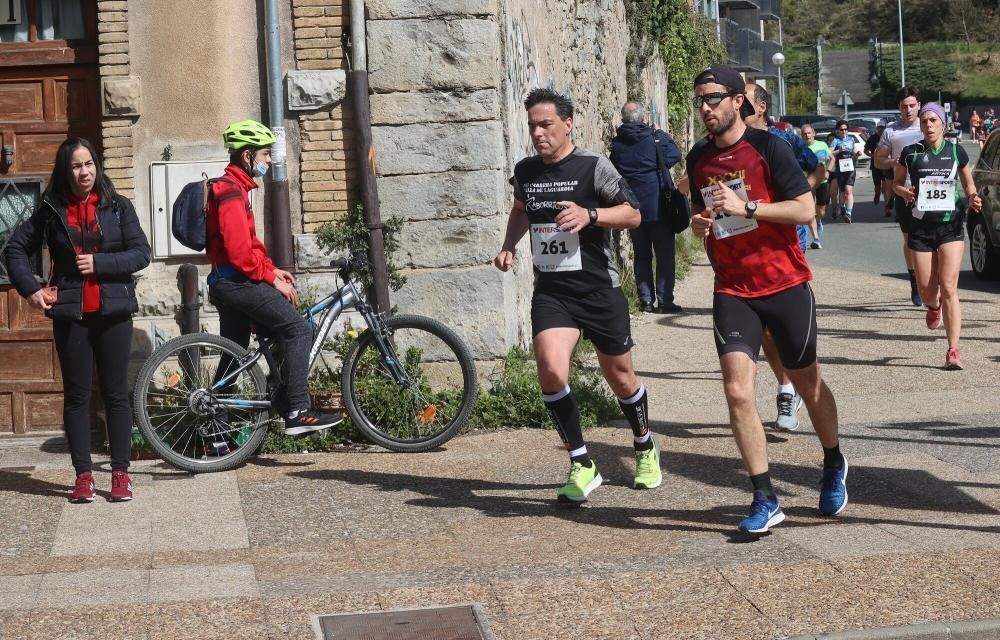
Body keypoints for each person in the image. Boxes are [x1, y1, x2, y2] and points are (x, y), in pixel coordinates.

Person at [686, 65, 847, 533]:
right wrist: (701, 224)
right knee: (737, 390)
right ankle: (764, 495)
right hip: (733, 288)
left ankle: (834, 460)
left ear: (739, 100)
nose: (705, 108)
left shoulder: (769, 147)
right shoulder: (699, 159)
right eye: (700, 99)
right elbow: (706, 215)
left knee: (807, 382)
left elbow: (802, 208)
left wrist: (748, 207)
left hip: (784, 283)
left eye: (713, 98)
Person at [495, 88, 658, 503]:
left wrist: (591, 215)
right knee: (550, 369)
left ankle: (644, 444)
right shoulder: (526, 171)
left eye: (545, 124)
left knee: (619, 376)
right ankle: (582, 464)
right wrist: (510, 245)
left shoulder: (593, 166)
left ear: (567, 124)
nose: (537, 132)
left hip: (597, 288)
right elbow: (520, 209)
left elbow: (634, 214)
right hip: (553, 291)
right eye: (532, 125)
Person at [2, 138, 151, 503]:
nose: (84, 172)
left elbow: (141, 254)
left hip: (114, 311)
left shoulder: (118, 207)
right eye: (76, 166)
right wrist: (31, 290)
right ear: (65, 171)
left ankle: (120, 474)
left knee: (116, 395)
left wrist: (100, 263)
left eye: (88, 164)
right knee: (78, 397)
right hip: (72, 315)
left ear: (96, 167)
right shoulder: (51, 209)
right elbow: (14, 250)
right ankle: (83, 476)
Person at [208, 119, 342, 435]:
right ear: (247, 156)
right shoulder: (230, 192)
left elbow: (250, 246)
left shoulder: (236, 188)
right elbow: (240, 253)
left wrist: (271, 269)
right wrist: (271, 279)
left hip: (228, 282)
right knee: (297, 329)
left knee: (233, 355)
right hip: (237, 283)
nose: (270, 160)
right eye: (266, 154)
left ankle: (215, 431)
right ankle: (296, 410)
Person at [743, 82, 823, 433]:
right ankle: (786, 387)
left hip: (786, 241)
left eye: (741, 97)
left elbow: (819, 167)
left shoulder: (784, 139)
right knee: (762, 329)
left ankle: (796, 383)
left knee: (781, 331)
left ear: (760, 107)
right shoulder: (721, 145)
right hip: (742, 249)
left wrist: (800, 192)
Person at [892, 103, 983, 370]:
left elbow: (968, 183)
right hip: (920, 226)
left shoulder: (956, 151)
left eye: (933, 120)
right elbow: (897, 183)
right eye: (924, 122)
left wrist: (974, 196)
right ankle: (933, 307)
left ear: (943, 124)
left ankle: (953, 350)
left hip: (950, 225)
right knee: (927, 290)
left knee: (950, 286)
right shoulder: (911, 153)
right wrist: (903, 192)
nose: (928, 125)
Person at [608, 102, 683, 313]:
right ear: (643, 119)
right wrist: (659, 130)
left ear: (623, 120)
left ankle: (646, 300)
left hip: (632, 207)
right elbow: (674, 155)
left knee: (641, 255)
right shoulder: (654, 138)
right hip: (658, 204)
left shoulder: (617, 145)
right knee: (665, 253)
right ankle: (665, 300)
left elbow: (615, 169)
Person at [874, 87, 924, 307]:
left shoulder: (928, 125)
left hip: (930, 192)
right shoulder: (891, 131)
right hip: (904, 191)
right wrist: (895, 162)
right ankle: (914, 281)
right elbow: (878, 160)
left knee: (935, 239)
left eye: (912, 105)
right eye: (904, 106)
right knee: (910, 240)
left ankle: (931, 281)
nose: (908, 110)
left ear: (919, 106)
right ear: (899, 108)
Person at [801, 124, 833, 248]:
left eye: (809, 133)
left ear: (813, 134)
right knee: (809, 209)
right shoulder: (800, 148)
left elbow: (832, 158)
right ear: (802, 135)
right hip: (806, 183)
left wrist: (828, 171)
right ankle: (816, 239)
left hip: (822, 182)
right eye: (804, 133)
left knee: (821, 210)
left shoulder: (822, 145)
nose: (807, 135)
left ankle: (818, 220)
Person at [828, 120, 861, 223]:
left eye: (846, 129)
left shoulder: (851, 139)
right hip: (840, 169)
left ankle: (848, 213)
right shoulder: (836, 141)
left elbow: (854, 150)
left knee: (849, 190)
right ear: (838, 131)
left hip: (850, 168)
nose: (844, 131)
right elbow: (829, 153)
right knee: (842, 192)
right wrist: (839, 150)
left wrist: (857, 153)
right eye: (841, 130)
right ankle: (842, 205)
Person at [864, 120, 888, 210]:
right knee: (878, 187)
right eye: (880, 128)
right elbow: (865, 151)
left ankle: (887, 207)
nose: (881, 130)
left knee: (885, 187)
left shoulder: (888, 138)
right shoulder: (872, 138)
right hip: (875, 165)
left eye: (883, 128)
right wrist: (873, 156)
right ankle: (877, 194)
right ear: (877, 128)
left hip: (886, 164)